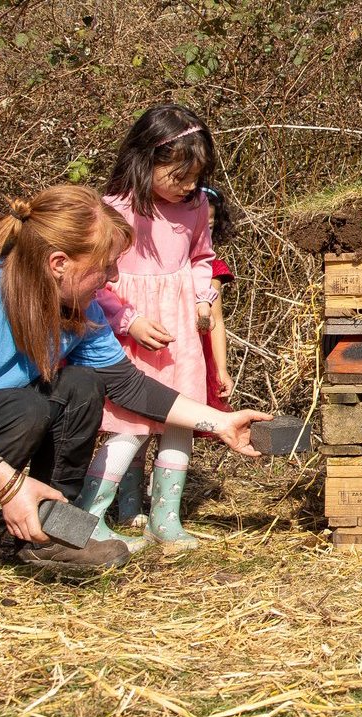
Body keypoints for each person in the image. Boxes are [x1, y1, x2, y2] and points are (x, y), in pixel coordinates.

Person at [0, 185, 271, 602]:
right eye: (105, 265)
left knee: (81, 385)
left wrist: (221, 422)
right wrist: (10, 483)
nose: (113, 278)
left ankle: (51, 532)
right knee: (24, 408)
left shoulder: (78, 308)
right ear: (59, 263)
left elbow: (127, 384)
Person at [74, 103, 242, 554]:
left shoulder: (198, 205)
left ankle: (166, 521)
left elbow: (201, 260)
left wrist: (204, 296)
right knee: (129, 427)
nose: (190, 185)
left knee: (179, 424)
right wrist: (128, 320)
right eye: (180, 175)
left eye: (196, 175)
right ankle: (89, 516)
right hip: (133, 328)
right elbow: (96, 280)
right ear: (146, 160)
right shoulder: (112, 209)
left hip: (182, 331)